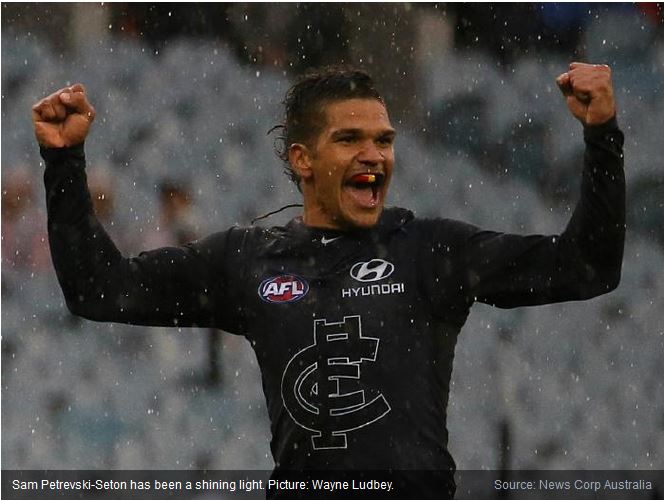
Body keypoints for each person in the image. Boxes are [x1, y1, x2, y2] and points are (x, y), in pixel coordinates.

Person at [33, 63, 624, 498]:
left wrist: (602, 140)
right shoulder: (247, 259)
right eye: (350, 139)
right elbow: (99, 290)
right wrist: (64, 163)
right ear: (303, 159)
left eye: (384, 140)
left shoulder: (430, 250)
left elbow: (585, 268)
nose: (374, 154)